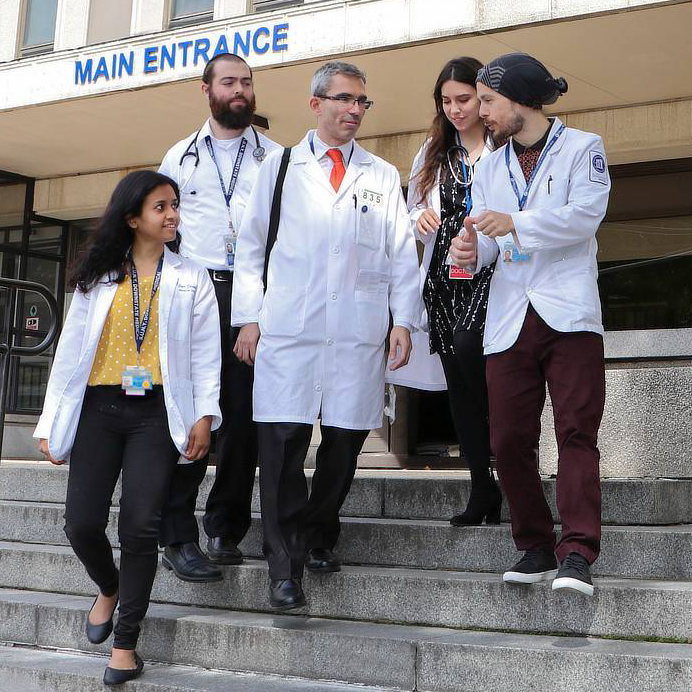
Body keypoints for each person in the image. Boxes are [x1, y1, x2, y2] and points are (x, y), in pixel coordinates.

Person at [231, 61, 420, 610]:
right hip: (289, 330)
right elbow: (249, 249)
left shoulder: (382, 176)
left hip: (356, 332)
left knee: (343, 445)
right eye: (344, 99)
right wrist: (249, 316)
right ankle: (284, 567)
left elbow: (401, 256)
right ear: (316, 105)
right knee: (283, 449)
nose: (354, 110)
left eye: (362, 101)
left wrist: (403, 320)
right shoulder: (279, 168)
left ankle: (318, 533)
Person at [33, 170, 222, 684]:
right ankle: (108, 586)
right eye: (161, 207)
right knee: (81, 523)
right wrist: (51, 421)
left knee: (141, 526)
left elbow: (206, 357)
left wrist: (205, 414)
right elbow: (70, 352)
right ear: (133, 217)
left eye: (175, 205)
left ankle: (126, 643)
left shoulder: (191, 278)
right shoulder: (97, 277)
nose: (173, 215)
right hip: (99, 409)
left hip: (157, 414)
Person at [449, 53, 610, 596]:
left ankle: (579, 551)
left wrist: (515, 222)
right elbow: (492, 246)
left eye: (489, 102)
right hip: (511, 317)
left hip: (569, 315)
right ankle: (535, 544)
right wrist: (473, 250)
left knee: (575, 431)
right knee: (509, 437)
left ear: (519, 99)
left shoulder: (583, 149)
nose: (481, 113)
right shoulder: (488, 167)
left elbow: (584, 217)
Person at [158, 53, 280, 582]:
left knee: (243, 417)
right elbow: (160, 230)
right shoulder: (178, 157)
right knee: (193, 413)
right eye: (229, 82)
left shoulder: (277, 158)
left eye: (247, 83)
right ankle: (177, 534)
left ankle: (224, 528)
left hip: (253, 294)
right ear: (205, 89)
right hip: (195, 290)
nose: (240, 91)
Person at [390, 57, 500, 526]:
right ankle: (481, 488)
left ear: (483, 97)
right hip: (441, 280)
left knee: (488, 374)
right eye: (446, 101)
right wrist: (419, 219)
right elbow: (412, 213)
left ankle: (512, 476)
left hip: (493, 278)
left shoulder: (505, 147)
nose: (456, 110)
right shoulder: (434, 153)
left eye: (464, 99)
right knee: (459, 385)